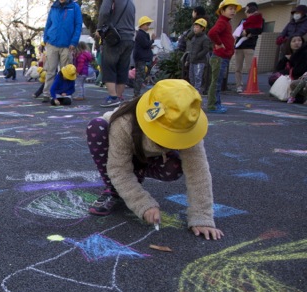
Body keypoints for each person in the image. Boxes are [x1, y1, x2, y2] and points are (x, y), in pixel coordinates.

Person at [86, 79, 223, 240]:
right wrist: (143, 204)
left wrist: (202, 217)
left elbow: (198, 171)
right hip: (118, 154)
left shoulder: (187, 121)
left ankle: (136, 176)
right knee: (96, 126)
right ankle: (113, 189)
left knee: (173, 167)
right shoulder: (124, 122)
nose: (173, 138)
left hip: (150, 159)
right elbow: (118, 169)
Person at [96, 0, 136, 107]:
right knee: (123, 68)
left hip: (115, 37)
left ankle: (113, 97)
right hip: (129, 38)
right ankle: (119, 96)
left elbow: (104, 12)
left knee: (109, 66)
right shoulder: (130, 3)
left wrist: (99, 29)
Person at [41, 0, 83, 103]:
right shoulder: (54, 6)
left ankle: (65, 93)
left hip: (67, 44)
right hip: (52, 42)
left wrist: (74, 41)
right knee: (50, 70)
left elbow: (78, 25)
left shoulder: (74, 7)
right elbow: (48, 23)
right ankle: (47, 93)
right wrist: (45, 39)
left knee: (65, 71)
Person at [207, 0, 241, 114]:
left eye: (234, 9)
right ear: (222, 11)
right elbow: (212, 33)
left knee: (217, 81)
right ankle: (213, 105)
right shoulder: (222, 21)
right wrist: (220, 44)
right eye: (230, 9)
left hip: (221, 57)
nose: (233, 11)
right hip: (219, 57)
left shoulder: (226, 22)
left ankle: (216, 104)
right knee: (216, 82)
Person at [233, 3, 264, 93]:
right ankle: (239, 86)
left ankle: (251, 86)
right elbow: (237, 31)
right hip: (239, 46)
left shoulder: (260, 19)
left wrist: (248, 31)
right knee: (237, 68)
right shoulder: (243, 20)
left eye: (247, 9)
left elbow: (259, 30)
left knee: (250, 68)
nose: (246, 11)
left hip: (249, 46)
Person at [186, 18, 212, 94]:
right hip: (192, 60)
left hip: (200, 61)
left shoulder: (205, 38)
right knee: (191, 77)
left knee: (198, 77)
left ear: (202, 28)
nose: (195, 29)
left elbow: (205, 50)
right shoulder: (194, 37)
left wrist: (197, 56)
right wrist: (188, 59)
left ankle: (197, 92)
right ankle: (192, 92)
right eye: (194, 27)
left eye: (197, 27)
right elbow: (190, 49)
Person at [133, 16, 156, 98]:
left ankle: (137, 93)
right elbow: (145, 44)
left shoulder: (141, 34)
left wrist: (150, 45)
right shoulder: (141, 34)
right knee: (140, 75)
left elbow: (145, 45)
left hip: (142, 57)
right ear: (142, 25)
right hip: (141, 58)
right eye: (147, 25)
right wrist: (152, 40)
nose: (148, 27)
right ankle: (136, 93)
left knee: (141, 75)